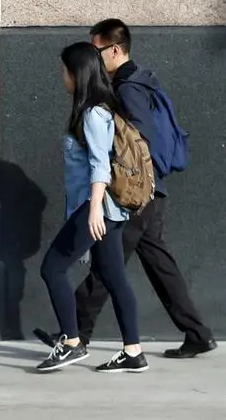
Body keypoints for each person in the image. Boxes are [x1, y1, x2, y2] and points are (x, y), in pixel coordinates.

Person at [34, 19, 217, 359]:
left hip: (131, 193)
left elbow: (136, 144)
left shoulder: (127, 88)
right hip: (146, 191)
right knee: (153, 264)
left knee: (108, 269)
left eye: (97, 49)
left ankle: (75, 335)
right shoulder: (142, 81)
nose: (93, 55)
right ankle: (196, 333)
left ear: (114, 50)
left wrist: (124, 190)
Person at [35, 41, 148, 373]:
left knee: (52, 268)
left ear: (77, 73)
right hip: (106, 209)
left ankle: (71, 342)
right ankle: (133, 352)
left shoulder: (92, 114)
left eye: (64, 70)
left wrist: (94, 209)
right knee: (114, 277)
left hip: (96, 207)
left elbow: (100, 165)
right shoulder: (99, 108)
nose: (62, 76)